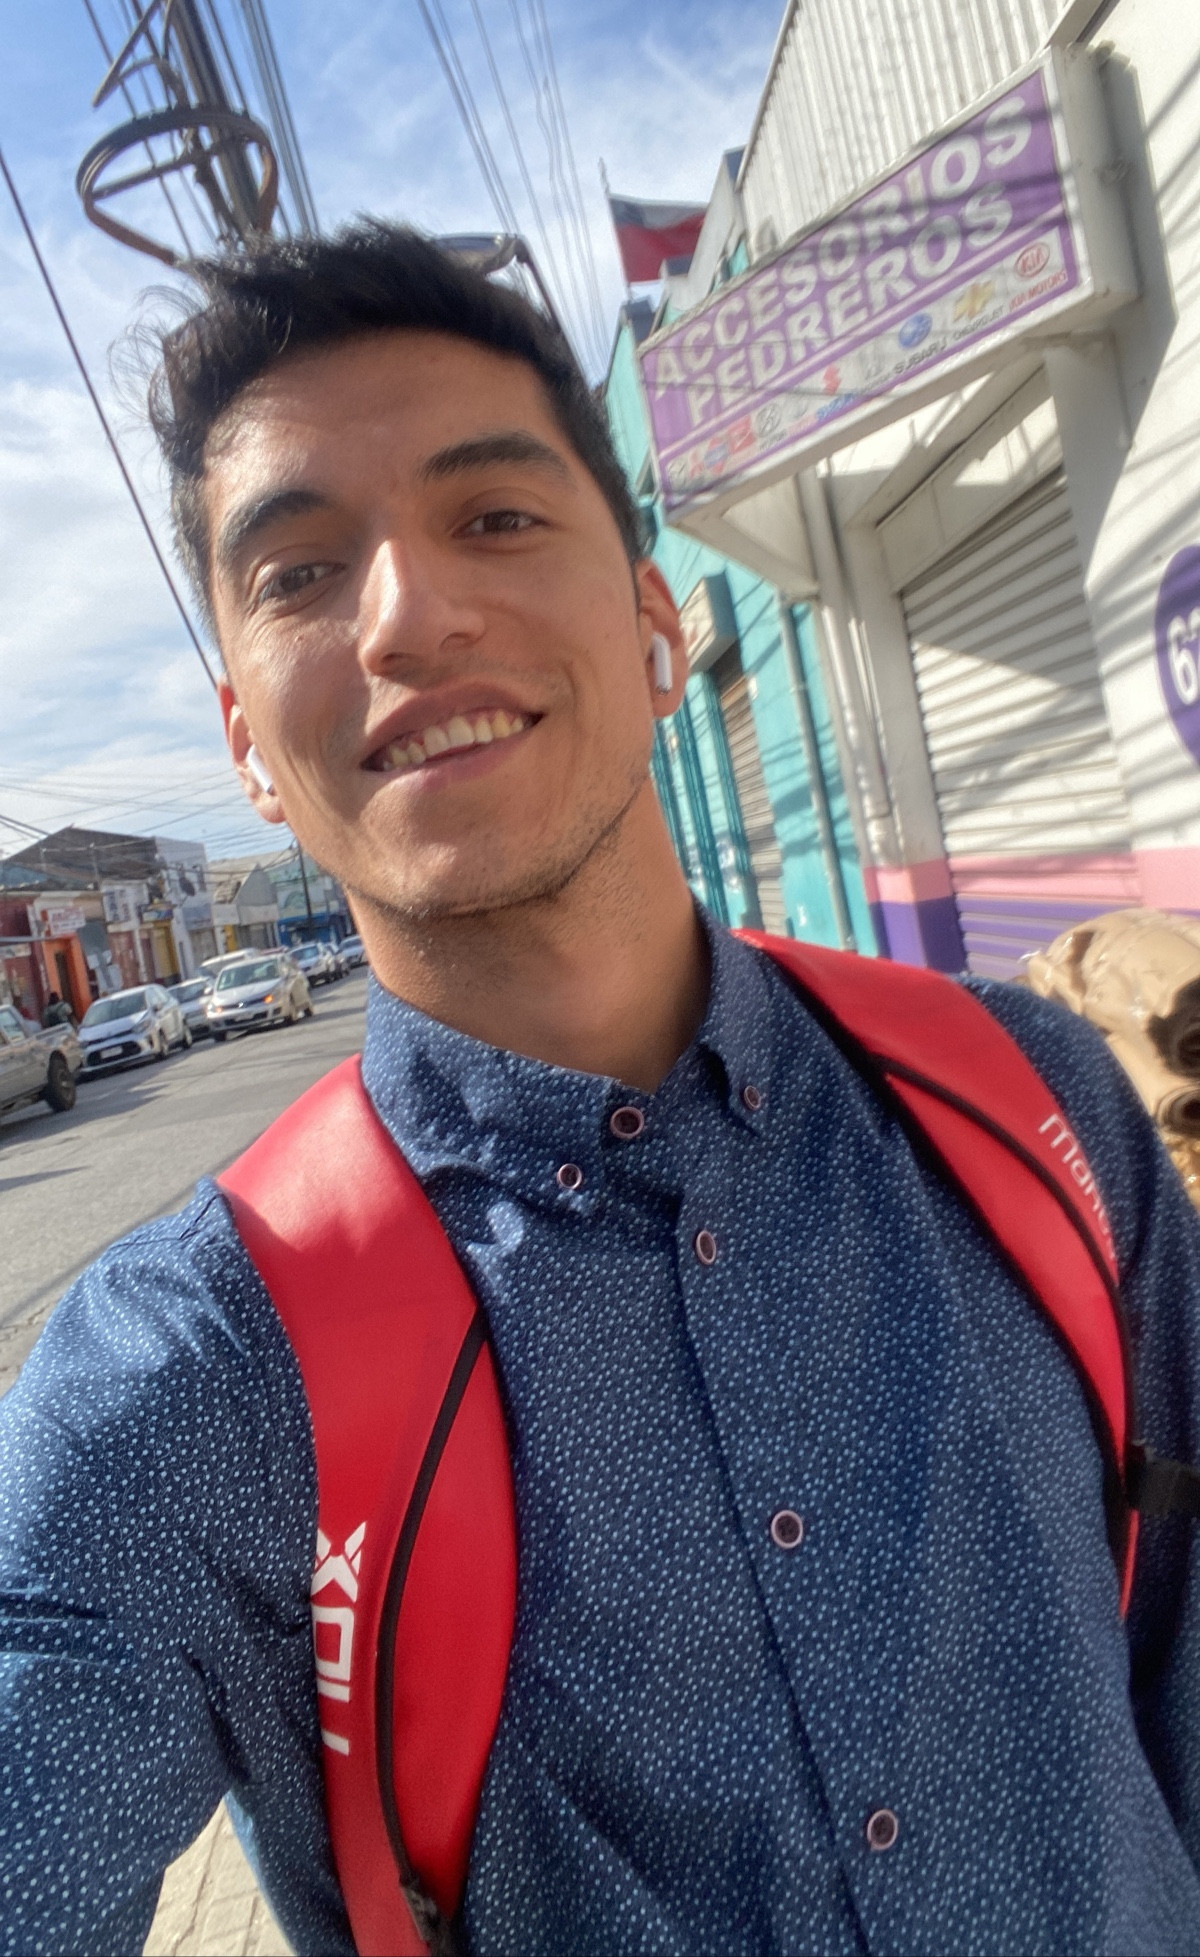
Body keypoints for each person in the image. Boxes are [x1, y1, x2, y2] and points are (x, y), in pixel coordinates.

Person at [2, 222, 1199, 1957]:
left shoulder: (1038, 1110)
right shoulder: (191, 1383)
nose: (409, 615)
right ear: (249, 744)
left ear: (653, 624)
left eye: (495, 515)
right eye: (302, 570)